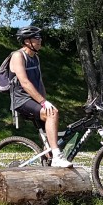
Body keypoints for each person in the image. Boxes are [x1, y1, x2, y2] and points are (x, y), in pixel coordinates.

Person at [7, 26, 72, 168]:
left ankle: (49, 157)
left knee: (51, 122)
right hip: (21, 100)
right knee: (52, 113)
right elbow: (24, 82)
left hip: (33, 100)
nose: (40, 40)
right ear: (27, 41)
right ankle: (56, 156)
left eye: (40, 37)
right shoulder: (18, 56)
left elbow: (39, 82)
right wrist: (43, 102)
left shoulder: (35, 58)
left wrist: (45, 101)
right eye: (37, 38)